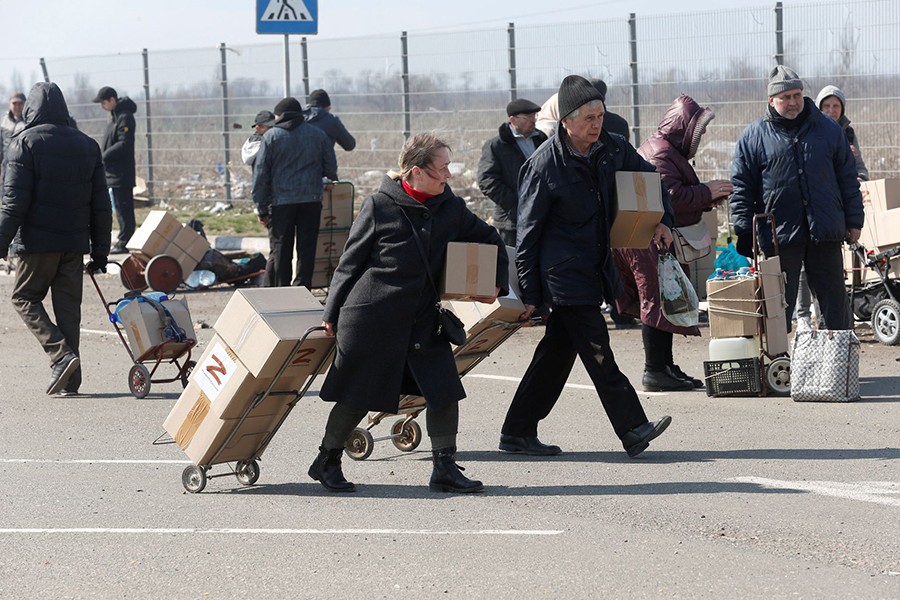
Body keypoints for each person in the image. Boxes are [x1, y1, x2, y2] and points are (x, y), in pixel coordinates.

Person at [309, 133, 508, 493]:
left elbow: (491, 238)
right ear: (417, 171)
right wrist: (331, 311)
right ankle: (327, 460)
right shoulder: (380, 205)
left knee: (444, 390)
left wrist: (495, 283)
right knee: (359, 395)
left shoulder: (451, 207)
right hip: (372, 319)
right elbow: (350, 263)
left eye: (449, 167)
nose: (449, 175)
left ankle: (444, 469)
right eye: (441, 169)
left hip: (422, 321)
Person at [500, 75, 674, 458]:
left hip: (595, 266)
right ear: (566, 121)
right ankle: (632, 428)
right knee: (598, 350)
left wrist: (663, 219)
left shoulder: (613, 147)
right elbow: (527, 236)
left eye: (601, 116)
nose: (597, 124)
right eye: (589, 118)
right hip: (562, 275)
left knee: (555, 356)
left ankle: (517, 431)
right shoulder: (543, 166)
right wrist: (531, 294)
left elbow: (650, 178)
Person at [730, 66, 864, 331]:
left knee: (835, 308)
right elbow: (742, 187)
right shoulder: (754, 136)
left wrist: (854, 221)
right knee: (776, 311)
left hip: (825, 231)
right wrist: (744, 230)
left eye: (797, 95)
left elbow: (848, 179)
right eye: (785, 97)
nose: (793, 102)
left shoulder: (828, 129)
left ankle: (837, 355)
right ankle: (778, 357)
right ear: (771, 100)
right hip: (778, 236)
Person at [614, 95, 733, 391]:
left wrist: (705, 199)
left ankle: (664, 366)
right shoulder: (660, 153)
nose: (700, 137)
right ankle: (655, 369)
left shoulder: (666, 150)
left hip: (652, 235)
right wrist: (705, 192)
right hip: (647, 237)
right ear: (684, 129)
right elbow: (671, 196)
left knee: (665, 298)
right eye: (698, 131)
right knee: (656, 300)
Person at [0, 82, 111, 396]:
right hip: (74, 245)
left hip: (36, 244)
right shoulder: (88, 145)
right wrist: (100, 252)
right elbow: (101, 205)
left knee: (24, 297)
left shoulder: (24, 143)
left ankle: (61, 356)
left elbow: (13, 203)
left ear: (31, 109)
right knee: (68, 312)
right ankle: (70, 383)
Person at [253, 97, 337, 288]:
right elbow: (331, 168)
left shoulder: (271, 137)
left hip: (281, 202)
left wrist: (261, 207)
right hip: (311, 200)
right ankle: (303, 289)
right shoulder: (318, 134)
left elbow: (261, 174)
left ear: (280, 116)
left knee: (282, 249)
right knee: (307, 249)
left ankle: (283, 292)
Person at [476, 98, 547, 247]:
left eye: (534, 116)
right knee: (514, 259)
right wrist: (514, 203)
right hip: (511, 220)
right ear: (513, 120)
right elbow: (486, 180)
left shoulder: (541, 140)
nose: (533, 121)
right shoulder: (496, 146)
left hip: (541, 215)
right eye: (528, 117)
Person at [93, 86, 137, 254]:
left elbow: (124, 143)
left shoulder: (124, 117)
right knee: (119, 207)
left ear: (112, 100)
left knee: (124, 208)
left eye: (104, 102)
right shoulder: (115, 117)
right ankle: (124, 238)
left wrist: (104, 156)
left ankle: (125, 240)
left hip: (121, 172)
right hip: (113, 172)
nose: (102, 106)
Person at [535, 78, 630, 140]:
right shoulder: (620, 123)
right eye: (589, 118)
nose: (596, 125)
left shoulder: (574, 129)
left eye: (599, 116)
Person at [1, 91, 27, 185]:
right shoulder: (4, 121)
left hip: (22, 168)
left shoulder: (29, 122)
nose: (17, 107)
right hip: (5, 167)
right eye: (14, 104)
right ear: (9, 104)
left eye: (20, 104)